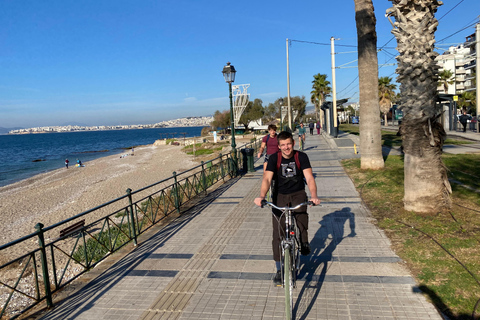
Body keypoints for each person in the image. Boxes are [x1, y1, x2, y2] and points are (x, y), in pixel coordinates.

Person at [254, 131, 321, 285]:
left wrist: (314, 195)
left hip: (297, 193)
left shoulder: (301, 157)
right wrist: (262, 196)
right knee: (277, 233)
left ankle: (304, 242)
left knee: (301, 218)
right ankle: (279, 269)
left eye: (288, 144)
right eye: (283, 145)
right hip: (280, 196)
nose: (286, 147)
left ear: (293, 143)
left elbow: (309, 178)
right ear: (278, 146)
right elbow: (267, 178)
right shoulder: (274, 158)